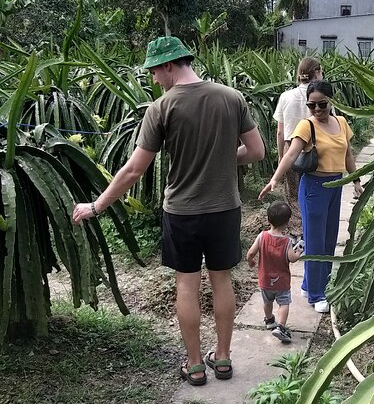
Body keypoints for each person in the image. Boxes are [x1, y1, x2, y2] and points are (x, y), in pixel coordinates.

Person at [72, 36, 265, 386]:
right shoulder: (231, 98)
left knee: (187, 286)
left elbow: (134, 170)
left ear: (169, 65)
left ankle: (194, 365)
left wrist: (97, 204)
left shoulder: (161, 108)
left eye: (155, 72)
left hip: (183, 213)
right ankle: (223, 359)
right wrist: (224, 157)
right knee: (222, 281)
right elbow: (256, 151)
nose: (154, 79)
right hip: (225, 208)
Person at [259, 80, 363, 313]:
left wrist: (356, 180)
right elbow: (290, 154)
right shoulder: (307, 126)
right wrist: (275, 179)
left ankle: (314, 284)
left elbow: (348, 156)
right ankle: (317, 295)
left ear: (331, 102)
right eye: (311, 105)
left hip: (336, 186)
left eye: (322, 104)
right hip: (314, 187)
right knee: (315, 242)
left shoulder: (342, 123)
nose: (317, 110)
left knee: (328, 239)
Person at [246, 201, 303, 343]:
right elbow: (292, 259)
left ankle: (270, 320)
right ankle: (281, 327)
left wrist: (250, 261)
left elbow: (250, 253)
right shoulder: (287, 242)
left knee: (267, 301)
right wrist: (299, 252)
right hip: (281, 282)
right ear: (287, 223)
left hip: (265, 280)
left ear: (268, 219)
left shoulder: (262, 236)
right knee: (284, 303)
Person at [273, 57, 323, 203]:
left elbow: (280, 132)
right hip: (316, 150)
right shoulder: (321, 97)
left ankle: (295, 224)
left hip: (290, 149)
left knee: (294, 197)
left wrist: (281, 156)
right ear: (317, 73)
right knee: (314, 196)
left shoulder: (285, 96)